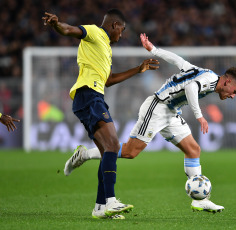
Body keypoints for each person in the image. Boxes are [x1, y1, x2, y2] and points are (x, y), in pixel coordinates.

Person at [64, 33, 236, 213]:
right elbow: (191, 87)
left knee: (193, 150)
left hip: (171, 112)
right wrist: (199, 116)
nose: (232, 96)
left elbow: (179, 61)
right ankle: (84, 155)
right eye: (234, 92)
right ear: (228, 81)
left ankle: (200, 200)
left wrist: (155, 49)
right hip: (157, 108)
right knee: (130, 152)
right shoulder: (208, 80)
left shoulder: (208, 75)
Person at [42, 11, 159, 220]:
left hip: (93, 96)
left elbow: (109, 79)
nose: (120, 36)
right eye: (121, 31)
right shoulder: (95, 33)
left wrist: (138, 69)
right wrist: (57, 24)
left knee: (108, 152)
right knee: (113, 145)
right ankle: (111, 201)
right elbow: (70, 30)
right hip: (88, 95)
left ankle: (100, 207)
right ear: (115, 25)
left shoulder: (104, 47)